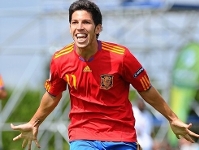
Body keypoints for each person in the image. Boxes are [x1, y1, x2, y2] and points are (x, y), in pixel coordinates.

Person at [10, 0, 199, 150]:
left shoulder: (121, 56)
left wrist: (172, 118)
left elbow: (146, 90)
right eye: (75, 22)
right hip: (83, 136)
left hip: (121, 136)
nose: (80, 27)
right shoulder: (60, 59)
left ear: (98, 28)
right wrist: (34, 122)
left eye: (86, 22)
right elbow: (52, 95)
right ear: (70, 28)